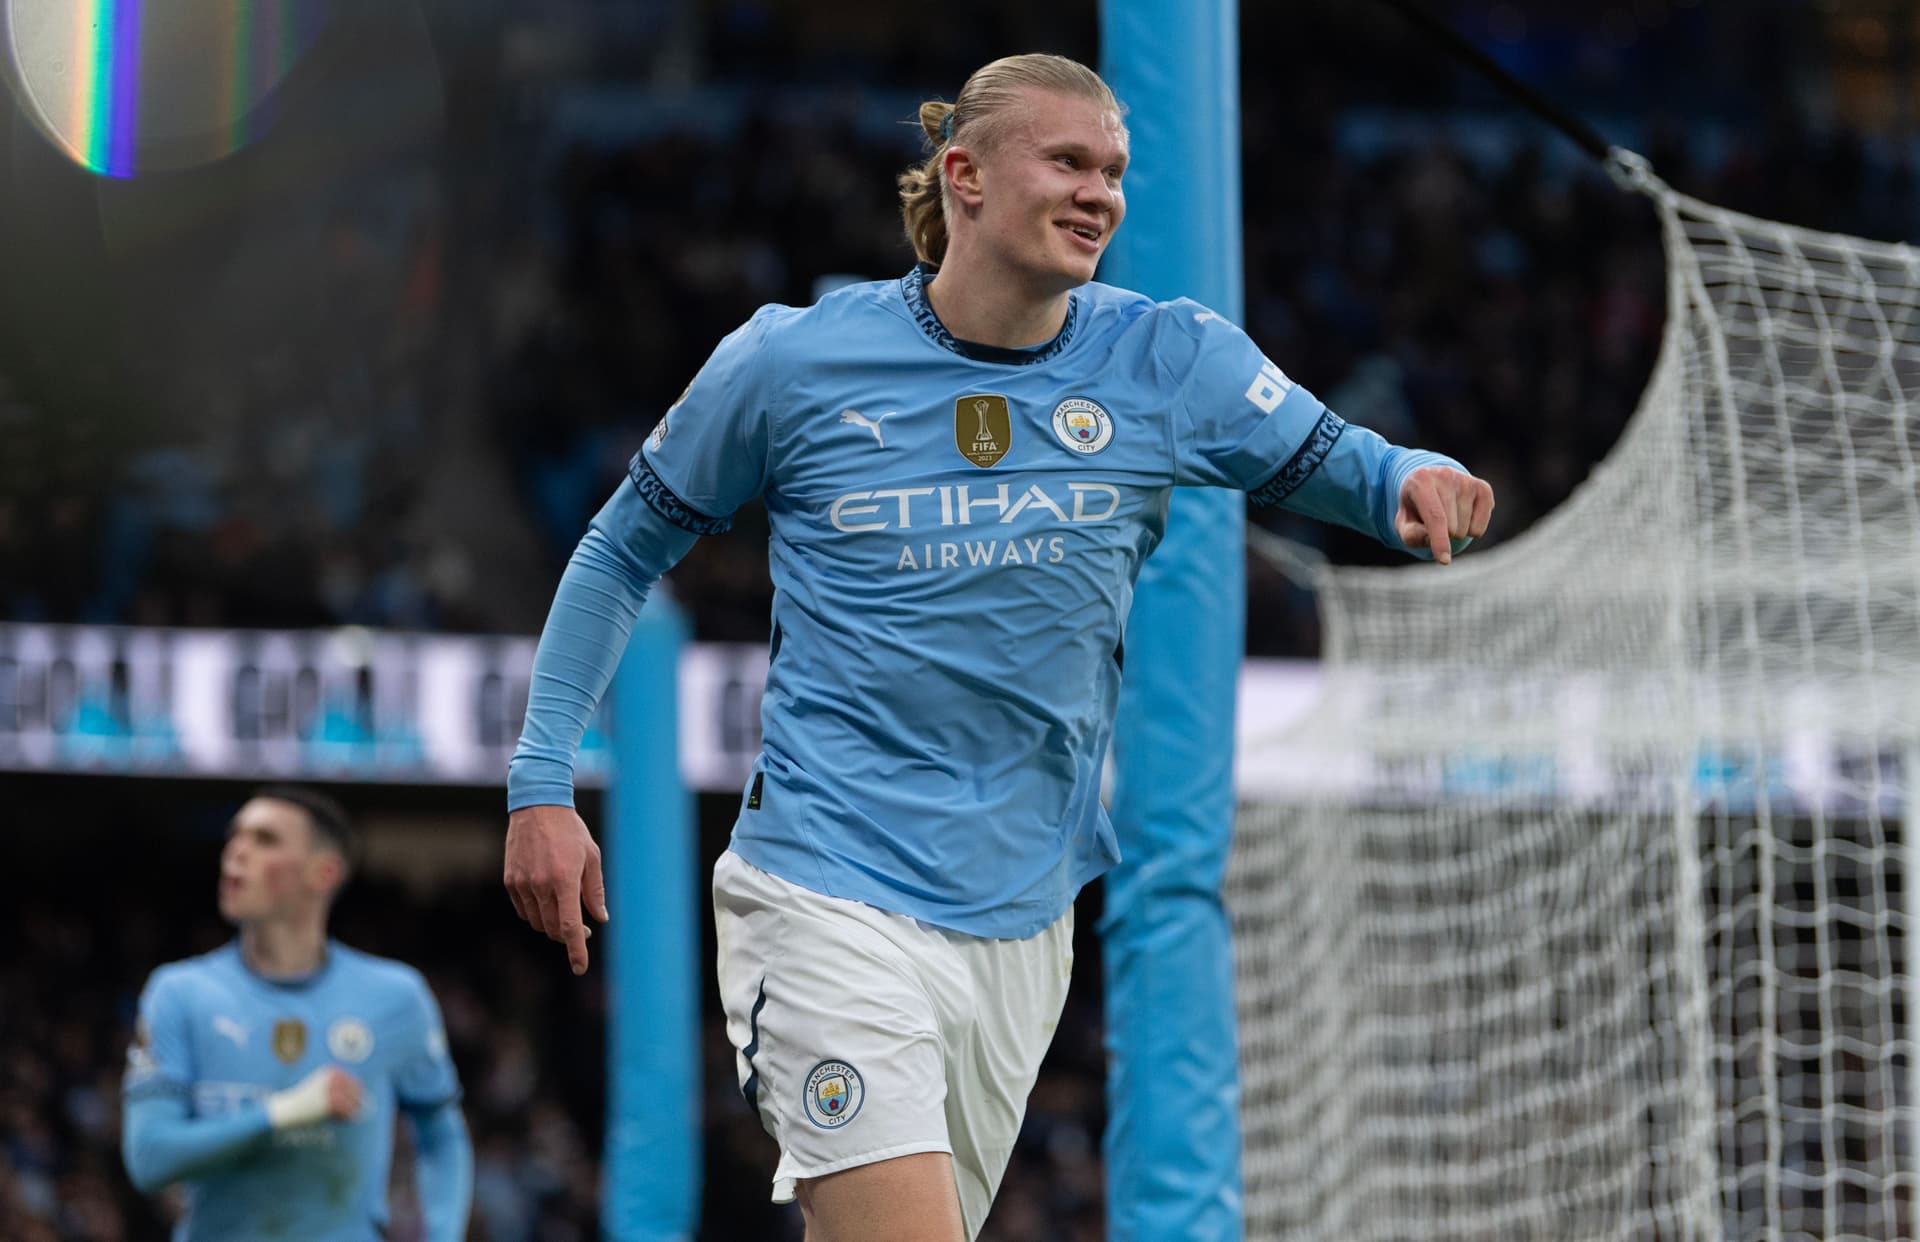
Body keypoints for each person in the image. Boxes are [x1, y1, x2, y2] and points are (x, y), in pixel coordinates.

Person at [503, 52, 1494, 1241]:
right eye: (1068, 162)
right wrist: (539, 782)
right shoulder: (791, 361)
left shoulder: (1166, 358)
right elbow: (619, 552)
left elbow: (1342, 460)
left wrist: (1411, 477)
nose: (1101, 195)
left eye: (1116, 171)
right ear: (963, 177)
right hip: (827, 889)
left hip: (1023, 921)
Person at [121, 785, 473, 1242]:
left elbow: (442, 1134)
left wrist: (444, 1234)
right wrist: (284, 1112)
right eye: (235, 836)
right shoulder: (179, 993)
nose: (236, 852)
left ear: (323, 872)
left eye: (264, 840)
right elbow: (150, 1158)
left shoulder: (396, 997)